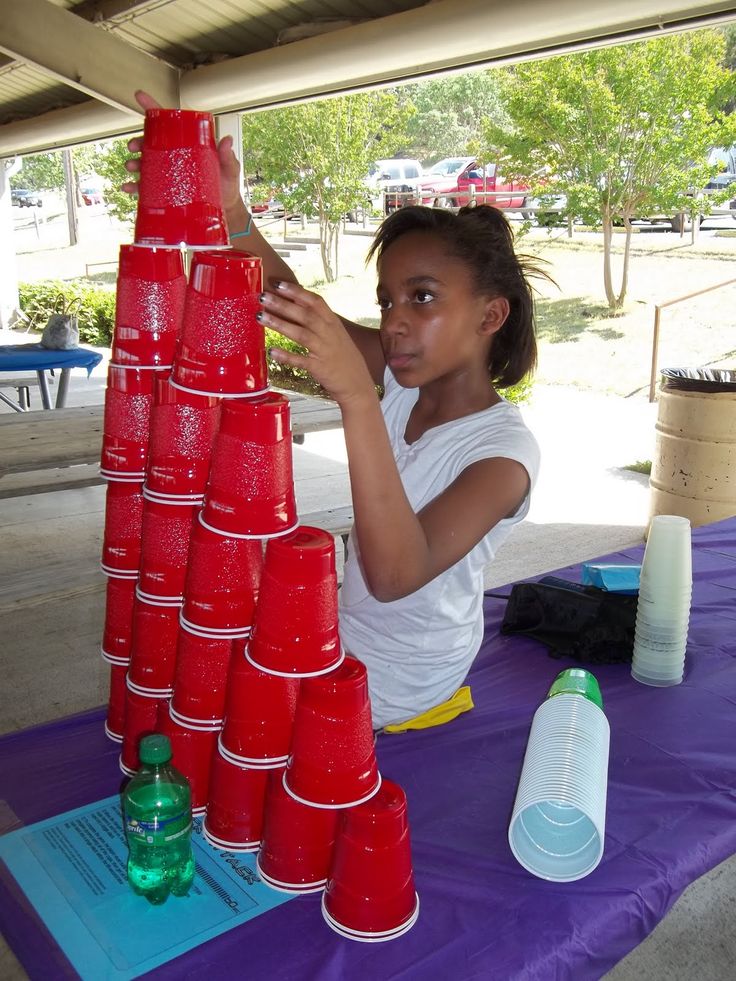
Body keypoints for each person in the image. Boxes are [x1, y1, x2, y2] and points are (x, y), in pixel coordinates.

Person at [124, 91, 543, 730]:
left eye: (422, 298)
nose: (395, 323)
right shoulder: (408, 381)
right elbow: (286, 299)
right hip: (337, 628)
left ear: (490, 315)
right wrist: (230, 209)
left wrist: (355, 395)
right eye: (387, 301)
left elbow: (394, 574)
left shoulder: (503, 458)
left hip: (403, 673)